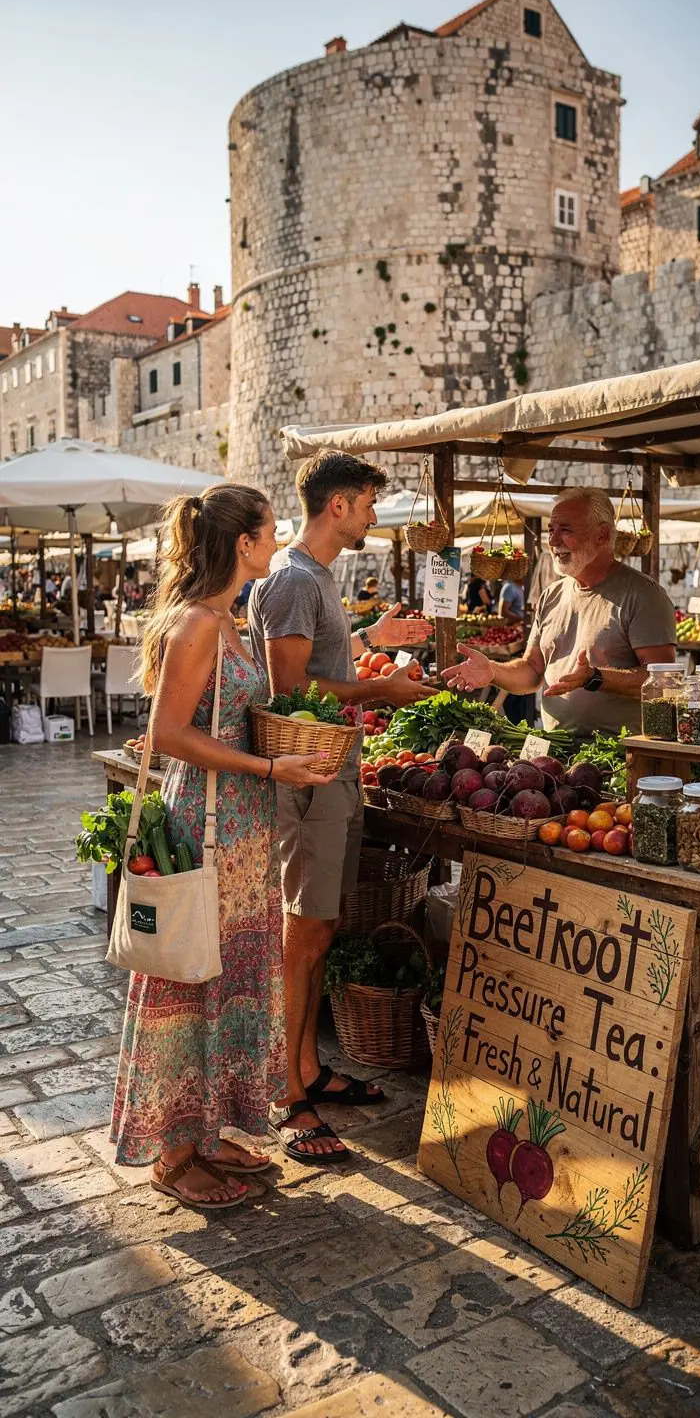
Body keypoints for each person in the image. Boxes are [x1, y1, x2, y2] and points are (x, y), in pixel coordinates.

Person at [110, 483, 335, 1210]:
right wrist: (273, 766)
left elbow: (228, 718)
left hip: (239, 828)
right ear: (244, 544)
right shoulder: (200, 624)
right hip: (203, 825)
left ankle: (206, 1132)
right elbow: (170, 734)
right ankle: (173, 1155)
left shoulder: (230, 619)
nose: (279, 541)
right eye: (271, 532)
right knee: (186, 978)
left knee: (226, 976)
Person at [248, 450, 435, 1162]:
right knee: (304, 935)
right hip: (310, 781)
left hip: (335, 774)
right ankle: (287, 1092)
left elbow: (322, 666)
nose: (372, 516)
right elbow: (292, 690)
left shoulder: (315, 579)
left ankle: (307, 1069)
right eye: (366, 504)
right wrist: (379, 691)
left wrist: (369, 643)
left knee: (320, 930)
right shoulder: (295, 579)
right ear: (337, 506)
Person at [443, 486, 676, 737]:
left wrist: (596, 678)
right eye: (551, 530)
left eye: (566, 530)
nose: (553, 542)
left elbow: (663, 682)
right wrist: (492, 671)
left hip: (621, 752)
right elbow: (532, 671)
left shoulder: (644, 595)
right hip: (554, 747)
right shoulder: (552, 595)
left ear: (602, 534)